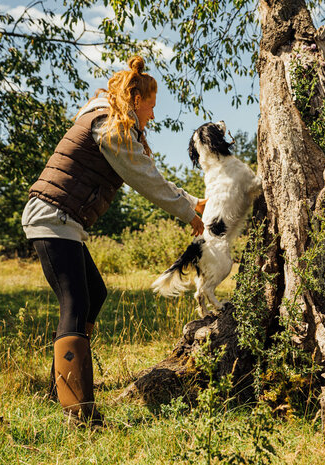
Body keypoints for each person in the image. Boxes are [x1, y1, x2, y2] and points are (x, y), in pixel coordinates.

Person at [22, 55, 206, 426]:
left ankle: (64, 382)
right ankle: (78, 411)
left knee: (95, 294)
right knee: (75, 303)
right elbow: (145, 178)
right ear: (136, 99)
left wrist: (191, 201)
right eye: (151, 107)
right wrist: (189, 212)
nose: (152, 116)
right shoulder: (110, 125)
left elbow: (147, 170)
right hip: (52, 217)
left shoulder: (108, 117)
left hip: (61, 218)